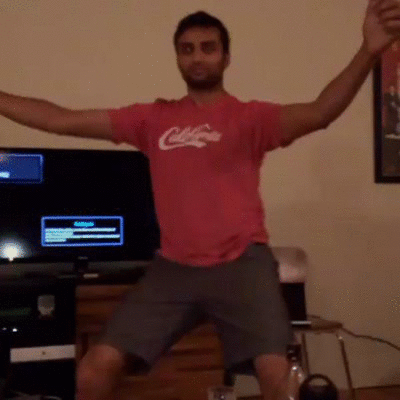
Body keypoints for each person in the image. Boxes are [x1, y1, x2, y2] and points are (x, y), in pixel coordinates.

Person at [1, 1, 400, 399]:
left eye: (208, 48)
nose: (197, 57)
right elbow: (59, 119)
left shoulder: (251, 118)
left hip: (242, 264)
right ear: (177, 57)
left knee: (279, 377)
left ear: (226, 57)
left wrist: (368, 51)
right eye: (187, 48)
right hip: (173, 269)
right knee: (93, 370)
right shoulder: (152, 119)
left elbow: (320, 112)